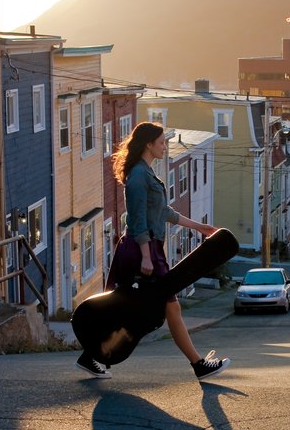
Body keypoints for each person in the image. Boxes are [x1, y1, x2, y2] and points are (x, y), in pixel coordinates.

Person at [76, 121, 230, 380]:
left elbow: (163, 212)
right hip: (141, 251)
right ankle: (198, 365)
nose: (165, 146)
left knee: (132, 308)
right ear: (149, 144)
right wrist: (146, 256)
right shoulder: (137, 176)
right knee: (165, 308)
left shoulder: (146, 173)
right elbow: (136, 221)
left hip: (148, 250)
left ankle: (90, 357)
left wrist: (199, 227)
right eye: (161, 142)